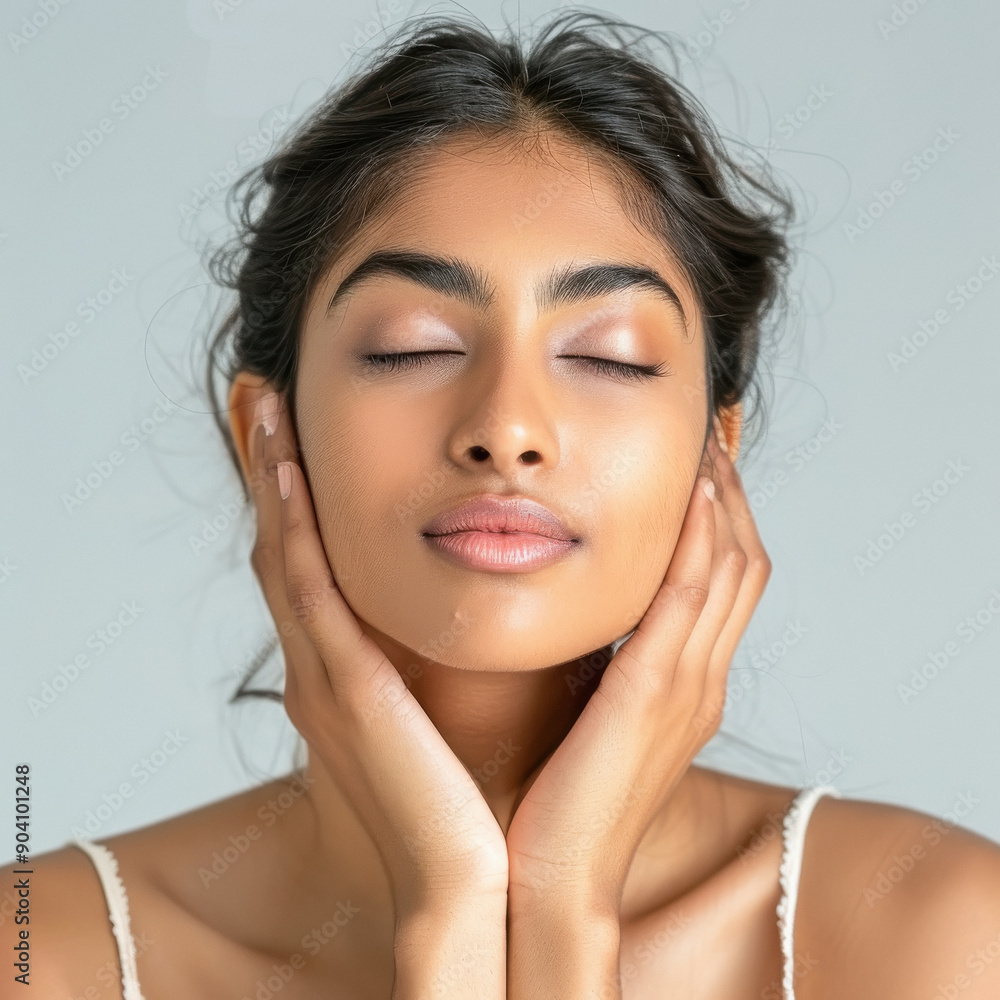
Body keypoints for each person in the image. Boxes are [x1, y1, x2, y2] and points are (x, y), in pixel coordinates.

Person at [12, 10, 1000, 999]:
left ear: (714, 453)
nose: (508, 426)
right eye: (412, 345)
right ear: (264, 435)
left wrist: (563, 909)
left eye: (607, 355)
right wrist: (451, 914)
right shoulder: (39, 954)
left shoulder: (940, 934)